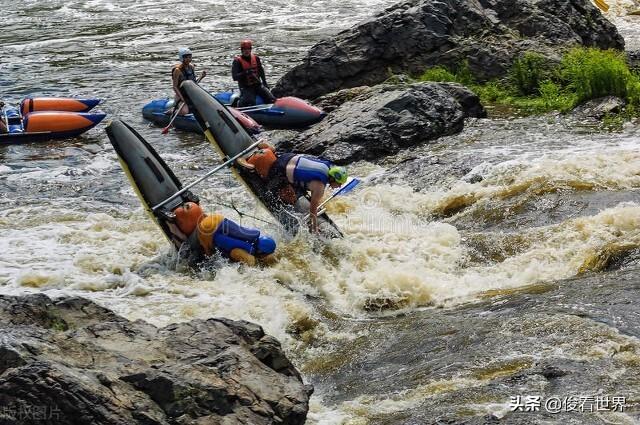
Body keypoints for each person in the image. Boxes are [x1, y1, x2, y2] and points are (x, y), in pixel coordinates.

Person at [238, 143, 348, 233]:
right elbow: (313, 210)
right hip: (278, 171)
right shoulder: (320, 187)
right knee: (284, 196)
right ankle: (248, 167)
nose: (339, 186)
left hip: (286, 157)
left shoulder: (326, 165)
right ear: (332, 179)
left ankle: (268, 148)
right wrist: (314, 227)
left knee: (296, 184)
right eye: (339, 183)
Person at [170, 201, 276, 266]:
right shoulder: (248, 253)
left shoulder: (252, 237)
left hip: (216, 219)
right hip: (207, 232)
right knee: (204, 254)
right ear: (261, 252)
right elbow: (241, 257)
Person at [231, 39, 276, 107]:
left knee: (272, 99)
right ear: (242, 50)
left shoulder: (256, 58)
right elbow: (235, 77)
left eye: (248, 49)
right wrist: (245, 73)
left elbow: (261, 71)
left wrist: (264, 82)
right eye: (244, 49)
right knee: (250, 102)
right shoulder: (237, 61)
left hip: (257, 85)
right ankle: (237, 102)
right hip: (245, 86)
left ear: (250, 49)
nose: (246, 51)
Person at [172, 47, 206, 115]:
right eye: (186, 57)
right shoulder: (177, 70)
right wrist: (182, 99)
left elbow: (194, 84)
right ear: (182, 58)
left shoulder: (191, 67)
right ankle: (172, 111)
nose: (188, 59)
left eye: (190, 57)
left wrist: (201, 77)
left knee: (203, 106)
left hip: (191, 94)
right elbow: (175, 87)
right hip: (180, 95)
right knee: (185, 111)